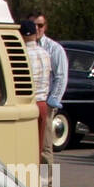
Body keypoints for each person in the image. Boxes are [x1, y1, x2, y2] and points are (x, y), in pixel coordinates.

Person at [29, 10, 67, 167]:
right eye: (33, 25)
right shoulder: (21, 46)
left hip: (45, 103)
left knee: (45, 149)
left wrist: (52, 102)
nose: (37, 29)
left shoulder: (54, 49)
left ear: (45, 27)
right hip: (27, 103)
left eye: (40, 25)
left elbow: (61, 77)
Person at [22, 17, 51, 164]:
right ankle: (43, 183)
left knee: (26, 148)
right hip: (42, 103)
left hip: (28, 103)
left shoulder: (23, 54)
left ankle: (34, 180)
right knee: (40, 148)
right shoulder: (45, 53)